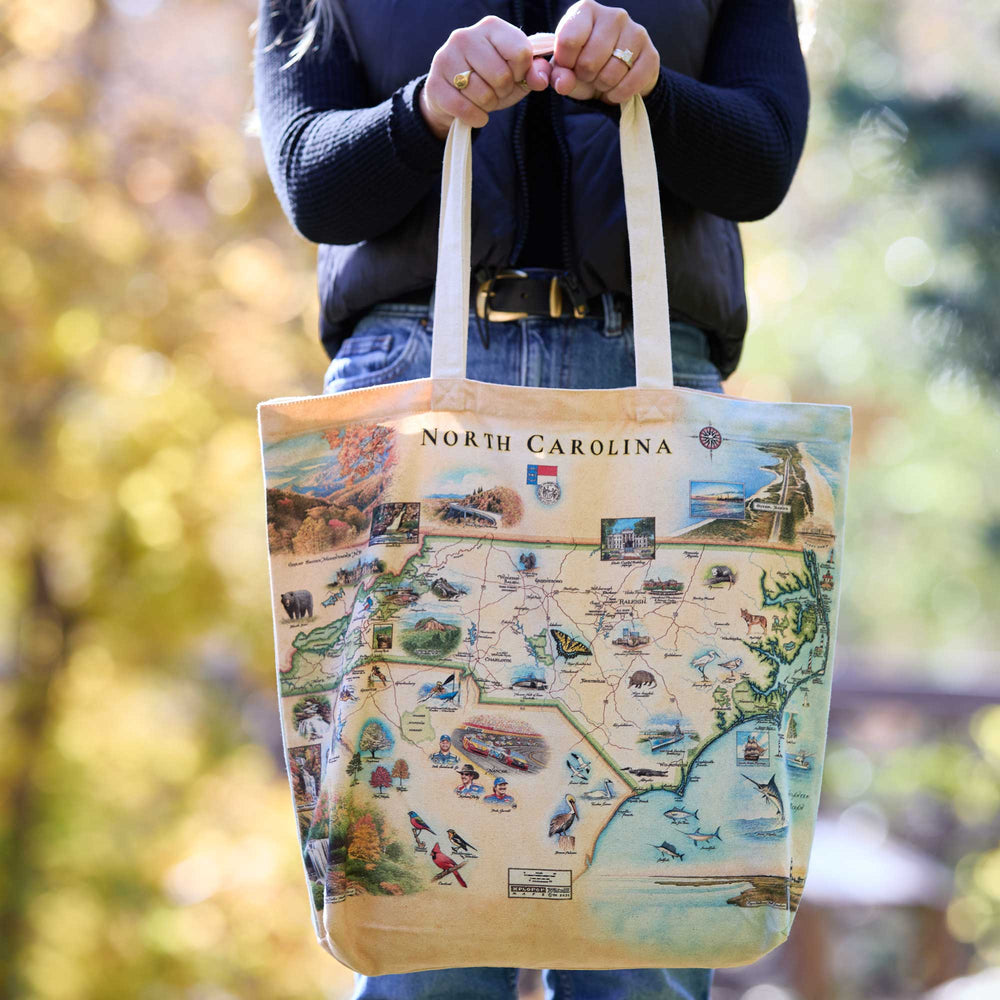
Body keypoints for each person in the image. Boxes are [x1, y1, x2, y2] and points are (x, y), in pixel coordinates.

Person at [252, 2, 809, 997]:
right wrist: (423, 108)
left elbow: (760, 158)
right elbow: (310, 181)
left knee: (648, 937)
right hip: (416, 386)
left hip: (651, 390)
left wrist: (654, 91)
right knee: (418, 935)